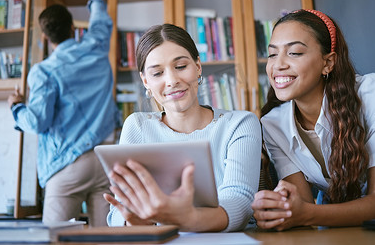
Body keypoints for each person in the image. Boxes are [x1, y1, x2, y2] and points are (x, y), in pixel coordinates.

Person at [103, 23, 262, 232]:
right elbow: (120, 209)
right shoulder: (137, 126)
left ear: (198, 67)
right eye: (157, 73)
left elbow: (240, 202)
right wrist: (132, 220)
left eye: (180, 67)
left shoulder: (240, 124)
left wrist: (188, 218)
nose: (171, 81)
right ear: (145, 82)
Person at [252, 9, 375, 231]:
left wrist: (306, 213)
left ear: (328, 63)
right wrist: (280, 209)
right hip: (333, 226)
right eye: (272, 54)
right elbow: (301, 207)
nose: (278, 64)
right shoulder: (273, 125)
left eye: (294, 53)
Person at [7, 0, 118, 226]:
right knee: (106, 240)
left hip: (66, 164)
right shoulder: (96, 45)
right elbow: (101, 20)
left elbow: (38, 121)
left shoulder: (44, 71)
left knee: (57, 239)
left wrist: (16, 107)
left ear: (46, 37)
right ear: (72, 28)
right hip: (105, 159)